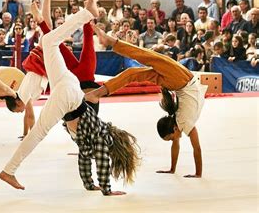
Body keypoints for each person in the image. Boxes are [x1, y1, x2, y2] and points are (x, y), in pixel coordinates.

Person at [0, 0, 140, 194]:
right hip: (70, 97)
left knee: (48, 42)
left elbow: (85, 159)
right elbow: (99, 160)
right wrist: (107, 190)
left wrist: (90, 185)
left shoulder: (93, 139)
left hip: (70, 86)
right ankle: (9, 171)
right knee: (38, 132)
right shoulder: (102, 138)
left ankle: (85, 14)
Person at [88, 27, 207, 178]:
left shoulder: (179, 123)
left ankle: (99, 92)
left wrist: (172, 169)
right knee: (148, 57)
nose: (175, 139)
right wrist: (198, 174)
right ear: (174, 130)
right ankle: (111, 42)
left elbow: (175, 145)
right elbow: (197, 148)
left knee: (135, 71)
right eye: (171, 138)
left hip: (180, 82)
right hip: (181, 81)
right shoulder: (185, 123)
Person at [11, 0, 100, 138]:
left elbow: (30, 117)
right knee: (53, 36)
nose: (20, 112)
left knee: (60, 37)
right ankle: (46, 14)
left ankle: (81, 12)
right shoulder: (23, 95)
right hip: (63, 72)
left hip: (69, 74)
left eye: (17, 110)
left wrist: (29, 135)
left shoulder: (23, 96)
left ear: (17, 104)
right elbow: (30, 116)